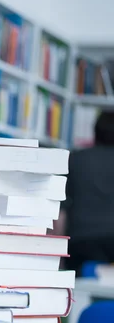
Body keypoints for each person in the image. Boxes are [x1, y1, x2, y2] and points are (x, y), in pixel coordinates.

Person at [57, 110, 114, 276]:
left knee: (78, 275)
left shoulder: (74, 159)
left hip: (81, 244)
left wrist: (56, 251)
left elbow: (61, 212)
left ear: (95, 132)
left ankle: (92, 271)